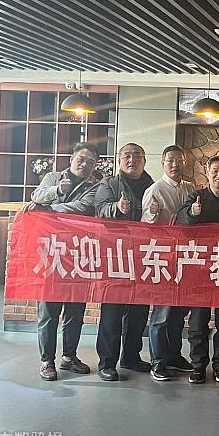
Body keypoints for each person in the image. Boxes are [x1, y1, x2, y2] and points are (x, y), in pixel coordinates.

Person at [25, 142, 100, 381]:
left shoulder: (95, 185)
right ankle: (47, 361)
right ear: (71, 159)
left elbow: (82, 208)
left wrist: (47, 208)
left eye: (90, 162)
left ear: (95, 165)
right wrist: (56, 191)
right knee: (49, 311)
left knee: (75, 311)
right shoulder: (52, 177)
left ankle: (69, 356)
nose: (84, 164)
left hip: (78, 254)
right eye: (81, 159)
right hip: (51, 253)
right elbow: (36, 195)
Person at [177, 155, 219, 384]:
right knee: (198, 322)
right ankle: (198, 366)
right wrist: (193, 213)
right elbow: (180, 222)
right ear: (207, 173)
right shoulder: (197, 197)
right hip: (199, 268)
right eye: (215, 170)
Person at [94, 142, 154, 382]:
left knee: (139, 311)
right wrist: (116, 208)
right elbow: (99, 209)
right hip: (116, 257)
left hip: (143, 256)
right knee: (112, 312)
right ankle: (107, 362)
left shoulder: (152, 185)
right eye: (127, 156)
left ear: (144, 161)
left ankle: (131, 357)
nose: (132, 160)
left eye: (137, 156)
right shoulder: (109, 184)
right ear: (119, 161)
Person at [141, 145, 197, 381]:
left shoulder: (190, 188)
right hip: (163, 260)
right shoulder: (154, 189)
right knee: (161, 315)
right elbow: (145, 224)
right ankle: (158, 361)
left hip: (186, 259)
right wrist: (153, 213)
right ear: (163, 163)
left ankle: (174, 355)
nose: (175, 165)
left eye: (179, 161)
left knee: (178, 314)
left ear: (185, 163)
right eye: (170, 161)